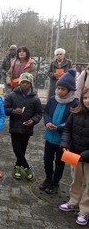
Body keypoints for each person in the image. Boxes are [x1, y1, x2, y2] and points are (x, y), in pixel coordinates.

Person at [40, 69, 78, 194]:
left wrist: (59, 128)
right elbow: (46, 112)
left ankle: (55, 182)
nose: (60, 91)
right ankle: (48, 178)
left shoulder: (75, 103)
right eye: (59, 88)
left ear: (70, 90)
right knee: (47, 159)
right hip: (50, 136)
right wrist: (47, 122)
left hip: (63, 140)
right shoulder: (52, 99)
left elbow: (71, 121)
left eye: (63, 89)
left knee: (60, 162)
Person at [4, 72, 42, 180]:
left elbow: (39, 113)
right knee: (17, 149)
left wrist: (33, 120)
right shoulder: (12, 95)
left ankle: (17, 167)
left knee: (23, 149)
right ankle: (27, 167)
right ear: (19, 83)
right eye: (23, 82)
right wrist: (13, 111)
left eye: (27, 82)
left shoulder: (35, 98)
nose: (25, 84)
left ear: (31, 84)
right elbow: (4, 109)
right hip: (15, 127)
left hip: (27, 128)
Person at [59, 88, 89, 226]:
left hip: (86, 157)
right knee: (75, 180)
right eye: (85, 98)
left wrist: (84, 155)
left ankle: (85, 210)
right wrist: (65, 144)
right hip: (75, 154)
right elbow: (67, 129)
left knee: (88, 185)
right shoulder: (76, 112)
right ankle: (73, 202)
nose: (87, 101)